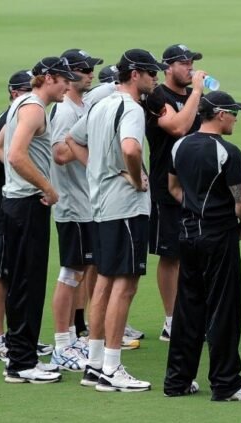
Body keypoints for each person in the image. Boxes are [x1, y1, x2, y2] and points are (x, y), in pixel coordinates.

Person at [67, 48, 166, 392]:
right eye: (152, 73)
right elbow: (131, 149)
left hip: (102, 206)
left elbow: (71, 141)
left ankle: (95, 364)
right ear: (135, 74)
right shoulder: (131, 108)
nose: (156, 78)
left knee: (105, 284)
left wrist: (99, 171)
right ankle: (111, 365)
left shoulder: (100, 104)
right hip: (125, 208)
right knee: (124, 286)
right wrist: (136, 177)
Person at [163, 91, 241, 401]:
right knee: (224, 308)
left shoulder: (180, 145)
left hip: (187, 234)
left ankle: (177, 381)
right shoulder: (228, 152)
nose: (236, 118)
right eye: (234, 112)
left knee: (187, 308)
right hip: (219, 236)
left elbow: (173, 187)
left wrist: (195, 209)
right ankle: (226, 383)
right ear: (220, 114)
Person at [0, 56, 80, 384]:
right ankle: (21, 363)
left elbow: (2, 148)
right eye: (63, 80)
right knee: (27, 284)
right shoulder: (33, 108)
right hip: (26, 205)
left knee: (24, 282)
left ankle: (22, 356)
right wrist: (47, 186)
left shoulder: (24, 105)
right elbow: (16, 155)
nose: (67, 86)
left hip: (18, 203)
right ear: (47, 78)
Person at [143, 44, 208, 342]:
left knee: (195, 251)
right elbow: (179, 129)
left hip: (197, 186)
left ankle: (191, 312)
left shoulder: (194, 98)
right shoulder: (159, 98)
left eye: (191, 63)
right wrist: (197, 93)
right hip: (165, 186)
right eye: (184, 64)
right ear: (167, 67)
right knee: (171, 255)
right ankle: (171, 320)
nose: (190, 68)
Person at [48, 49, 104, 371]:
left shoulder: (80, 107)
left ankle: (72, 336)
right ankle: (61, 345)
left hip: (85, 205)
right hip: (72, 205)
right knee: (70, 274)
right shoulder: (65, 112)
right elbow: (58, 153)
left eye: (91, 68)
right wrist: (89, 144)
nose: (90, 74)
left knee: (80, 272)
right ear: (69, 76)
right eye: (84, 70)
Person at [0, 69, 32, 363]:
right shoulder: (8, 118)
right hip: (3, 205)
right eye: (26, 90)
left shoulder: (19, 116)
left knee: (13, 270)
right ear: (14, 93)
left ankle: (13, 338)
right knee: (2, 273)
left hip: (12, 201)